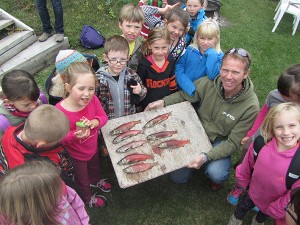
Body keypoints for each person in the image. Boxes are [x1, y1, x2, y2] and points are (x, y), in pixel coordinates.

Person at [145, 48, 260, 191]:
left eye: (236, 72)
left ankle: (214, 173)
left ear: (246, 74)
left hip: (220, 140)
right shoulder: (208, 82)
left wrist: (206, 157)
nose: (228, 77)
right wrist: (163, 102)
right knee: (177, 178)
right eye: (225, 70)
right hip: (196, 130)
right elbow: (185, 95)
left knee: (216, 173)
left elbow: (233, 142)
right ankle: (196, 157)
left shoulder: (251, 106)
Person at [228, 102, 300, 225]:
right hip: (252, 192)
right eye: (279, 127)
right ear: (271, 127)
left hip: (273, 203)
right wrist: (242, 182)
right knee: (242, 208)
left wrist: (277, 208)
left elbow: (295, 193)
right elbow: (247, 165)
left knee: (263, 215)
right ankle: (236, 219)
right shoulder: (261, 144)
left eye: (292, 125)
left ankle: (257, 221)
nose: (286, 132)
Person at [56, 62, 110, 208]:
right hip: (76, 156)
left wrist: (95, 122)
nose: (87, 93)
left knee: (95, 167)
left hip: (92, 149)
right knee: (82, 179)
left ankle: (96, 180)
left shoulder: (93, 100)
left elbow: (103, 117)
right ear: (67, 87)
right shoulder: (60, 111)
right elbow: (59, 137)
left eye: (91, 88)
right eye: (81, 88)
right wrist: (74, 136)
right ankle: (87, 198)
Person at [233, 64, 300, 168]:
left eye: (287, 96)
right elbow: (263, 113)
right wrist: (251, 133)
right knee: (247, 148)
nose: (281, 95)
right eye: (281, 90)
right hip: (261, 134)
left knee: (264, 164)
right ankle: (242, 166)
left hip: (281, 144)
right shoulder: (274, 95)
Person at [0, 160, 89, 225]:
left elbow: (75, 201)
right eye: (57, 186)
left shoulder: (57, 188)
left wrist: (84, 222)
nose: (62, 187)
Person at [0, 105, 74, 180]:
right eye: (57, 142)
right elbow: (66, 175)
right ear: (41, 144)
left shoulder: (9, 131)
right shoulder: (47, 165)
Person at [96, 35, 147, 119]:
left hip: (128, 118)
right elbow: (94, 102)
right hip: (107, 120)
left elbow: (143, 93)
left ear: (128, 58)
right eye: (113, 59)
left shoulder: (132, 75)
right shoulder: (99, 79)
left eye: (123, 59)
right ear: (105, 58)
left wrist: (140, 91)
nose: (118, 63)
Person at [175, 18, 223, 96]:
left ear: (216, 39)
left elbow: (213, 76)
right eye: (202, 38)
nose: (205, 42)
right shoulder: (190, 50)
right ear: (197, 38)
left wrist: (212, 55)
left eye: (210, 39)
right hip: (182, 89)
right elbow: (178, 69)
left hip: (201, 95)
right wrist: (189, 87)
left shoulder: (219, 57)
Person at [137, 27, 177, 110]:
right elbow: (139, 87)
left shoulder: (170, 59)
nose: (160, 52)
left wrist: (172, 99)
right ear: (149, 45)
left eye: (164, 48)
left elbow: (172, 79)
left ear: (169, 44)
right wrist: (139, 106)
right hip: (148, 105)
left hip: (165, 102)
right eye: (156, 48)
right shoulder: (144, 65)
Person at [0, 70, 48, 139]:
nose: (34, 106)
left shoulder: (40, 99)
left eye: (35, 100)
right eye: (26, 105)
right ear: (9, 102)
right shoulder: (3, 121)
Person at [118, 3, 145, 71]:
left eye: (137, 27)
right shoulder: (114, 43)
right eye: (128, 26)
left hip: (137, 79)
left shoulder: (144, 44)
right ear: (120, 25)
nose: (132, 31)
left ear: (142, 27)